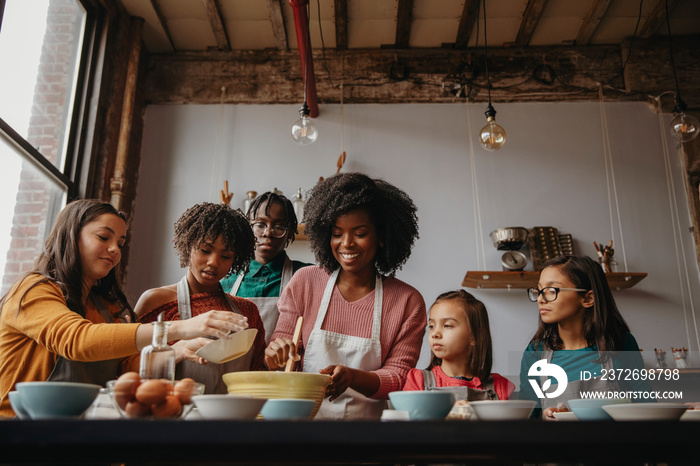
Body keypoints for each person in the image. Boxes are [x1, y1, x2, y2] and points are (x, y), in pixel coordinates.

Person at [0, 199, 243, 417]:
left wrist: (178, 350)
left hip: (80, 433)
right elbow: (77, 340)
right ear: (71, 236)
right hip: (19, 432)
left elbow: (126, 370)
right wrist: (179, 328)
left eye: (120, 243)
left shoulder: (108, 306)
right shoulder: (33, 290)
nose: (115, 249)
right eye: (104, 238)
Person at [264, 172, 427, 420]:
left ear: (382, 236)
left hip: (367, 441)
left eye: (360, 233)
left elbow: (400, 377)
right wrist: (275, 352)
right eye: (337, 233)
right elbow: (280, 356)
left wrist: (353, 378)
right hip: (304, 432)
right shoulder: (305, 282)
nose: (346, 244)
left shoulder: (407, 301)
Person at [134, 202, 266, 394]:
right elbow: (129, 370)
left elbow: (257, 376)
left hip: (233, 418)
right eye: (205, 250)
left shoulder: (247, 311)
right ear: (188, 246)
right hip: (174, 417)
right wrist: (177, 350)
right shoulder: (156, 302)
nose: (213, 262)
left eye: (226, 255)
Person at [518, 255, 649, 420]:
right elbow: (526, 419)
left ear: (588, 298)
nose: (540, 299)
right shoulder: (535, 353)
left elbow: (644, 406)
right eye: (539, 290)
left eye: (552, 290)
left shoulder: (620, 343)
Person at [220, 191, 310, 343]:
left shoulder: (305, 275)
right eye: (260, 225)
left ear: (289, 233)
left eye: (279, 227)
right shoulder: (227, 277)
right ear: (249, 228)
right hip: (237, 367)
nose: (268, 233)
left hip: (283, 366)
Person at [403, 290, 514, 401]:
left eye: (447, 325)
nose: (435, 334)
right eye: (432, 326)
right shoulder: (418, 381)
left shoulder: (500, 386)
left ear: (474, 337)